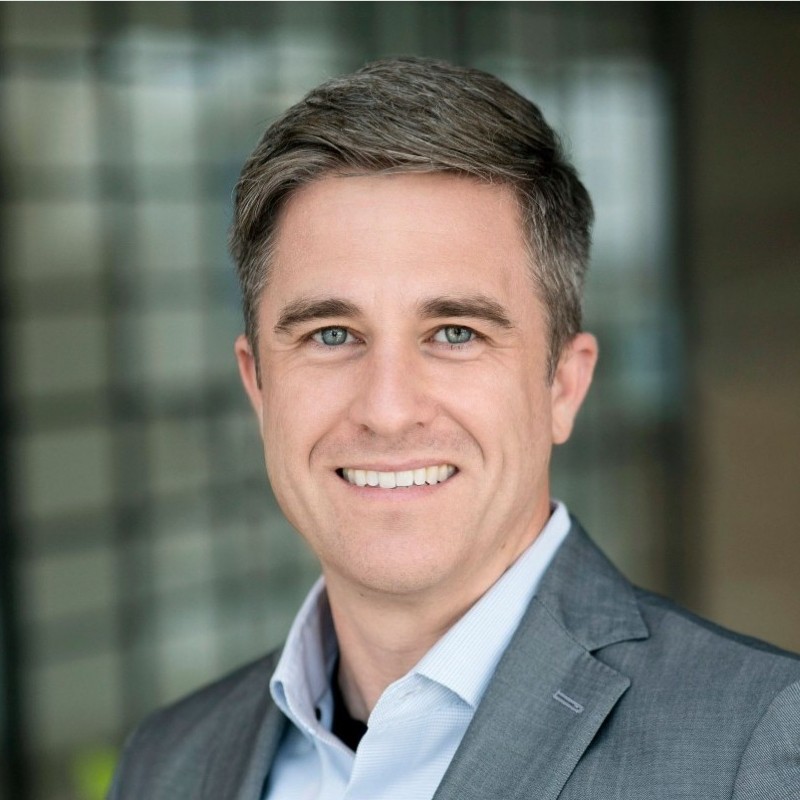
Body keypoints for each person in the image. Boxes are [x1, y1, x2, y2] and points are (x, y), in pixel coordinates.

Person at [108, 57, 800, 800]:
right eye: (332, 335)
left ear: (564, 386)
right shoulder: (166, 763)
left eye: (456, 333)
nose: (387, 409)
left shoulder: (755, 747)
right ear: (258, 385)